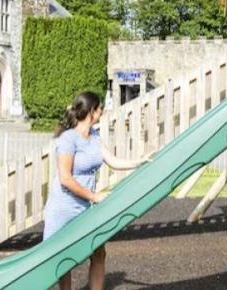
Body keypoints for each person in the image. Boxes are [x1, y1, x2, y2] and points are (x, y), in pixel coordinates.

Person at [43, 91, 149, 290]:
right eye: (100, 108)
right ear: (91, 111)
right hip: (63, 207)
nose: (103, 111)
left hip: (85, 206)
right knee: (62, 258)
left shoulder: (94, 136)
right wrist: (94, 196)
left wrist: (139, 162)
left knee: (98, 251)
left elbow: (113, 161)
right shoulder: (68, 139)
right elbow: (65, 179)